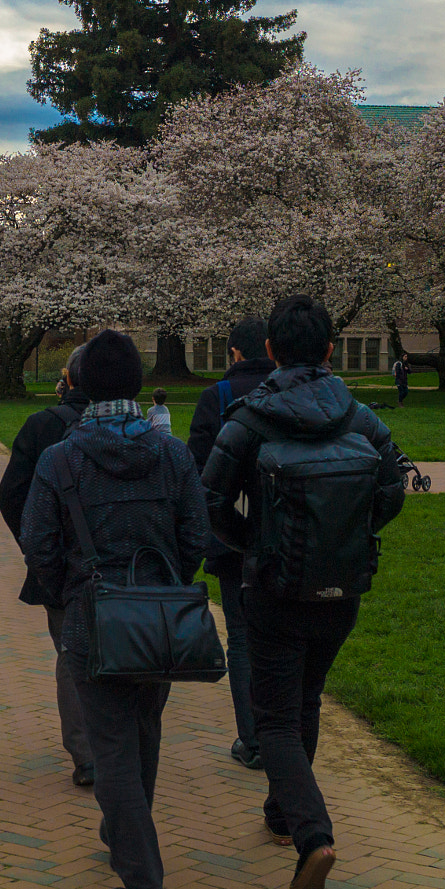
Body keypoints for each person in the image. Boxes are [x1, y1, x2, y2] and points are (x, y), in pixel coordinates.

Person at [203, 296, 404, 889]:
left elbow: (210, 501)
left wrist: (253, 547)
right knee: (306, 699)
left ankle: (312, 833)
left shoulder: (250, 420)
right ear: (330, 350)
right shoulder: (360, 419)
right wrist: (350, 538)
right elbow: (392, 492)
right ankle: (282, 813)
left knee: (276, 720)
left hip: (273, 590)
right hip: (342, 588)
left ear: (270, 351)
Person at [22, 330, 208, 889]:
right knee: (144, 731)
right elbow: (196, 539)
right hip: (159, 618)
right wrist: (163, 577)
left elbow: (38, 545)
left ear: (78, 384)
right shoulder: (173, 455)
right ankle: (124, 832)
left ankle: (142, 882)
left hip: (90, 619)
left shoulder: (60, 459)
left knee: (113, 750)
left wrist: (69, 592)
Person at [0, 347, 93, 786]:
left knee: (71, 653)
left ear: (69, 380)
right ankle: (120, 744)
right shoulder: (151, 433)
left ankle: (86, 752)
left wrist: (39, 553)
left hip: (65, 568)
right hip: (134, 569)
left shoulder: (44, 427)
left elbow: (12, 492)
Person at [186, 318, 276, 772]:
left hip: (232, 533)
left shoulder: (217, 398)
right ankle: (287, 734)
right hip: (286, 533)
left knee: (240, 637)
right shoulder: (290, 393)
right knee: (283, 637)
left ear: (235, 354)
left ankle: (254, 739)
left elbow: (198, 473)